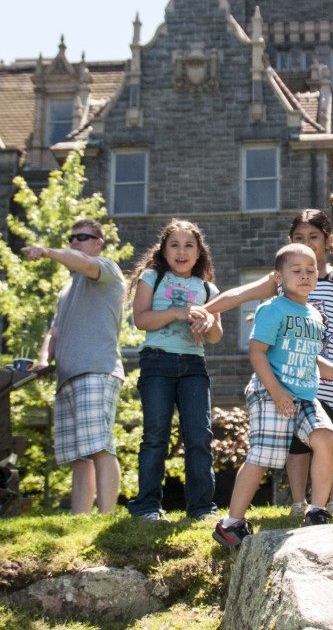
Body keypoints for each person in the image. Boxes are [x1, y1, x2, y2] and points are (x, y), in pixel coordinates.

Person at [200, 209, 333, 517]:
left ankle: (330, 502)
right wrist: (204, 310)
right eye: (299, 238)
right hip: (286, 371)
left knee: (331, 435)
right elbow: (239, 295)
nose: (307, 243)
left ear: (328, 240)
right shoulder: (281, 281)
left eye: (313, 237)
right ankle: (298, 502)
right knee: (295, 443)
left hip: (328, 368)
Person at [212, 243, 333, 549]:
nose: (305, 275)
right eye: (296, 271)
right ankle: (231, 524)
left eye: (311, 270)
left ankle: (316, 512)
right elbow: (257, 352)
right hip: (270, 391)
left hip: (304, 395)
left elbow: (311, 358)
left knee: (326, 438)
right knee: (262, 456)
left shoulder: (314, 315)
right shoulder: (272, 309)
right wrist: (276, 391)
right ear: (278, 277)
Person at [125, 220, 223, 521]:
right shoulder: (151, 278)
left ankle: (201, 508)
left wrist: (208, 321)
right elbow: (141, 320)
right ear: (164, 251)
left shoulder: (208, 289)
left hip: (194, 367)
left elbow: (216, 336)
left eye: (189, 245)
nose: (182, 252)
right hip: (157, 363)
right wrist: (179, 312)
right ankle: (147, 507)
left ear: (199, 253)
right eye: (175, 245)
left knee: (199, 436)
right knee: (156, 434)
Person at [27, 218, 126, 515]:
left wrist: (46, 252)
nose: (74, 242)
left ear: (98, 243)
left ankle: (106, 517)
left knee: (100, 448)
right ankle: (80, 521)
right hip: (66, 378)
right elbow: (54, 332)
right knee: (79, 458)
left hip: (96, 370)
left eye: (82, 237)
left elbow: (82, 262)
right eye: (71, 238)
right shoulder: (67, 289)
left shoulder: (106, 269)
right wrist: (44, 360)